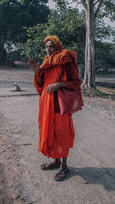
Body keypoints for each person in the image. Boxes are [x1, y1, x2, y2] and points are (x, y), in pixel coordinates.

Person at [29, 35, 83, 181]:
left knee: (62, 133)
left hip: (60, 104)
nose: (48, 49)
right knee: (50, 132)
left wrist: (60, 84)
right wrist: (36, 73)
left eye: (51, 46)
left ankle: (64, 166)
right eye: (46, 46)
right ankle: (56, 161)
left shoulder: (66, 59)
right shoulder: (47, 63)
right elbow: (42, 85)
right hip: (47, 104)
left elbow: (76, 82)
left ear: (58, 47)